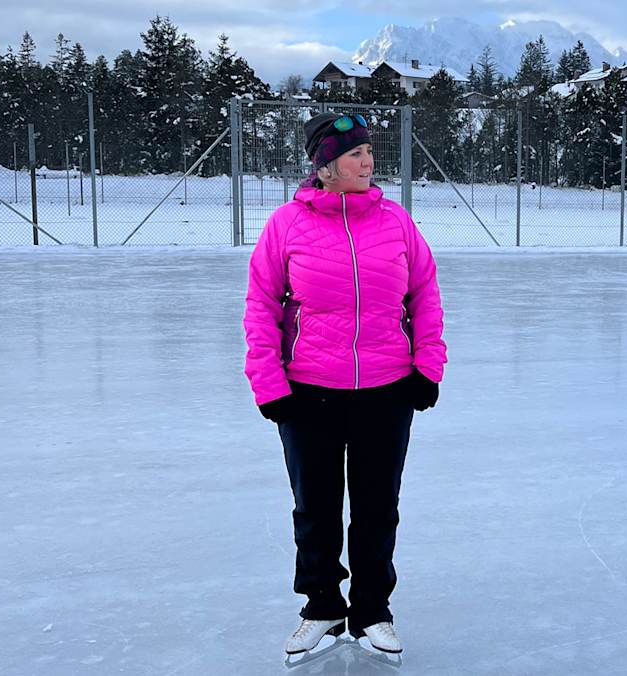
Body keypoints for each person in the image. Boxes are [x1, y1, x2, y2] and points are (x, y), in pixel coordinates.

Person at [243, 111, 446, 657]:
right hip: (308, 391)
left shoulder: (395, 221)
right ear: (325, 167)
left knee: (378, 507)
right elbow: (261, 304)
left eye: (369, 151)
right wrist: (267, 381)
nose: (368, 161)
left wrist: (428, 366)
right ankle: (323, 607)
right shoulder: (287, 224)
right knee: (315, 507)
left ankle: (372, 610)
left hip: (387, 388)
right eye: (355, 154)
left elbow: (425, 294)